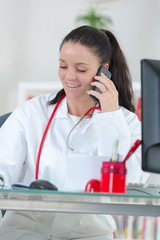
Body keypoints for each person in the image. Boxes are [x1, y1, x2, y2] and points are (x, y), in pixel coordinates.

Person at [0, 25, 149, 239]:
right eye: (63, 66)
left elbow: (127, 186)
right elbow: (3, 165)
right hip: (26, 228)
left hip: (88, 231)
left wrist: (110, 116)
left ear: (103, 71)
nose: (69, 76)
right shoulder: (32, 111)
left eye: (80, 69)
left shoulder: (126, 122)